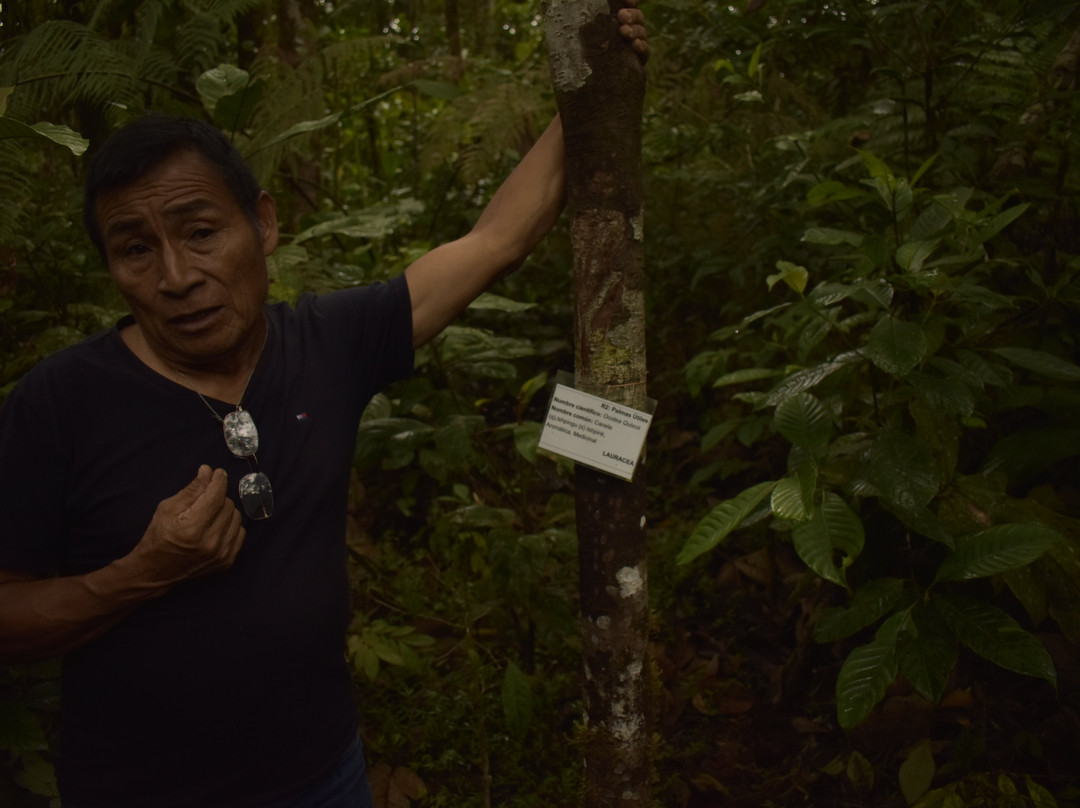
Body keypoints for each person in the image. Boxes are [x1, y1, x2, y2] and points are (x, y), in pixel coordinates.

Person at [0, 7, 648, 808]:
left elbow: (495, 240)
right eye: (136, 249)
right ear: (112, 269)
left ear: (263, 224)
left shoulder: (328, 344)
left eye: (201, 232)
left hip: (322, 776)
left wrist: (594, 87)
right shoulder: (58, 402)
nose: (176, 276)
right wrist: (139, 575)